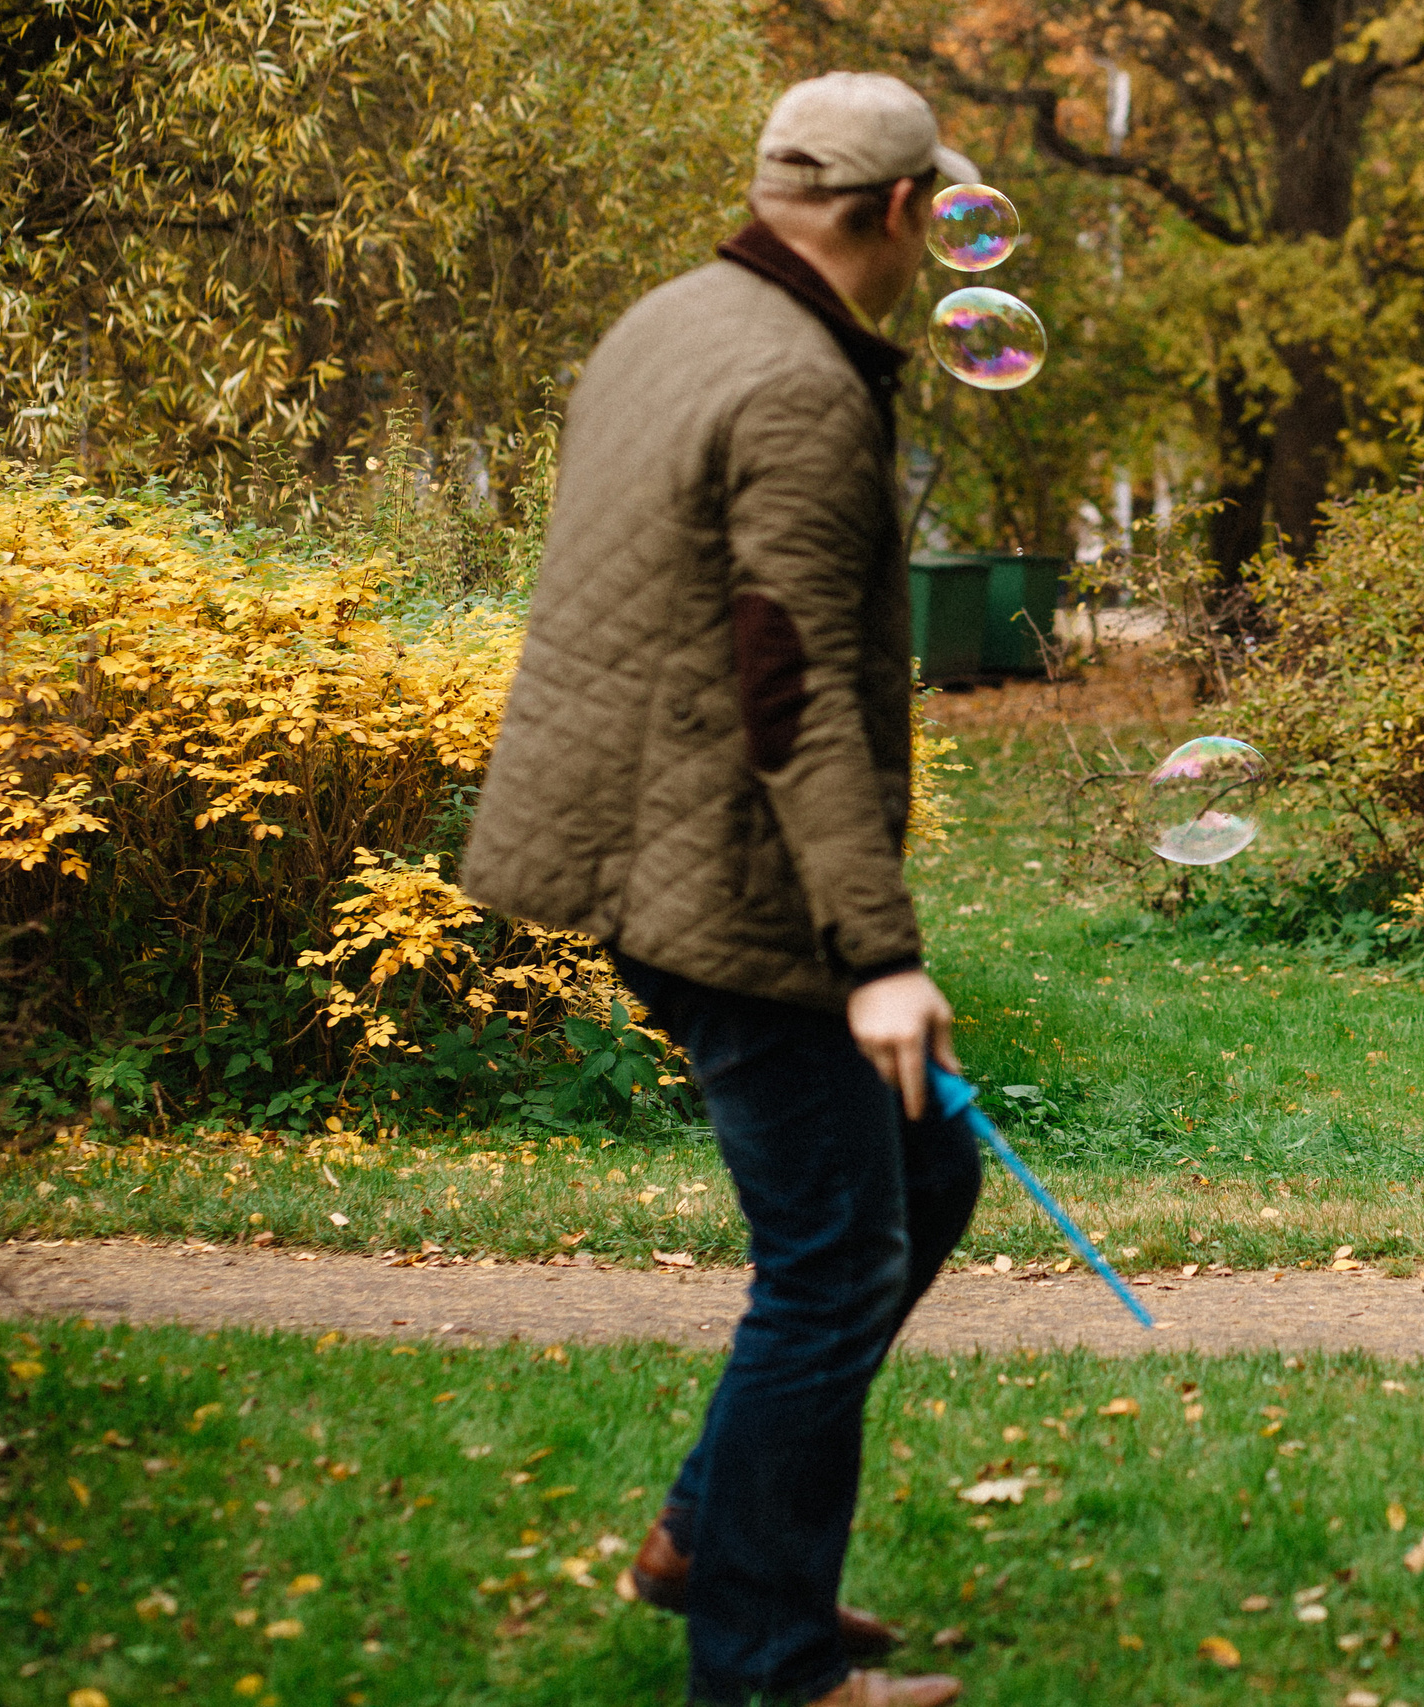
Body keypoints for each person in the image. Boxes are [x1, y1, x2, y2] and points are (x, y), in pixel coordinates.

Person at [460, 70, 984, 1707]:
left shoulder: (668, 316)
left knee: (931, 1169)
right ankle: (760, 1661)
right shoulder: (803, 381)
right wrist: (878, 954)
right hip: (730, 887)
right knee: (832, 1258)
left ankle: (715, 1533)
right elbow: (798, 681)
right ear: (899, 213)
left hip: (649, 843)